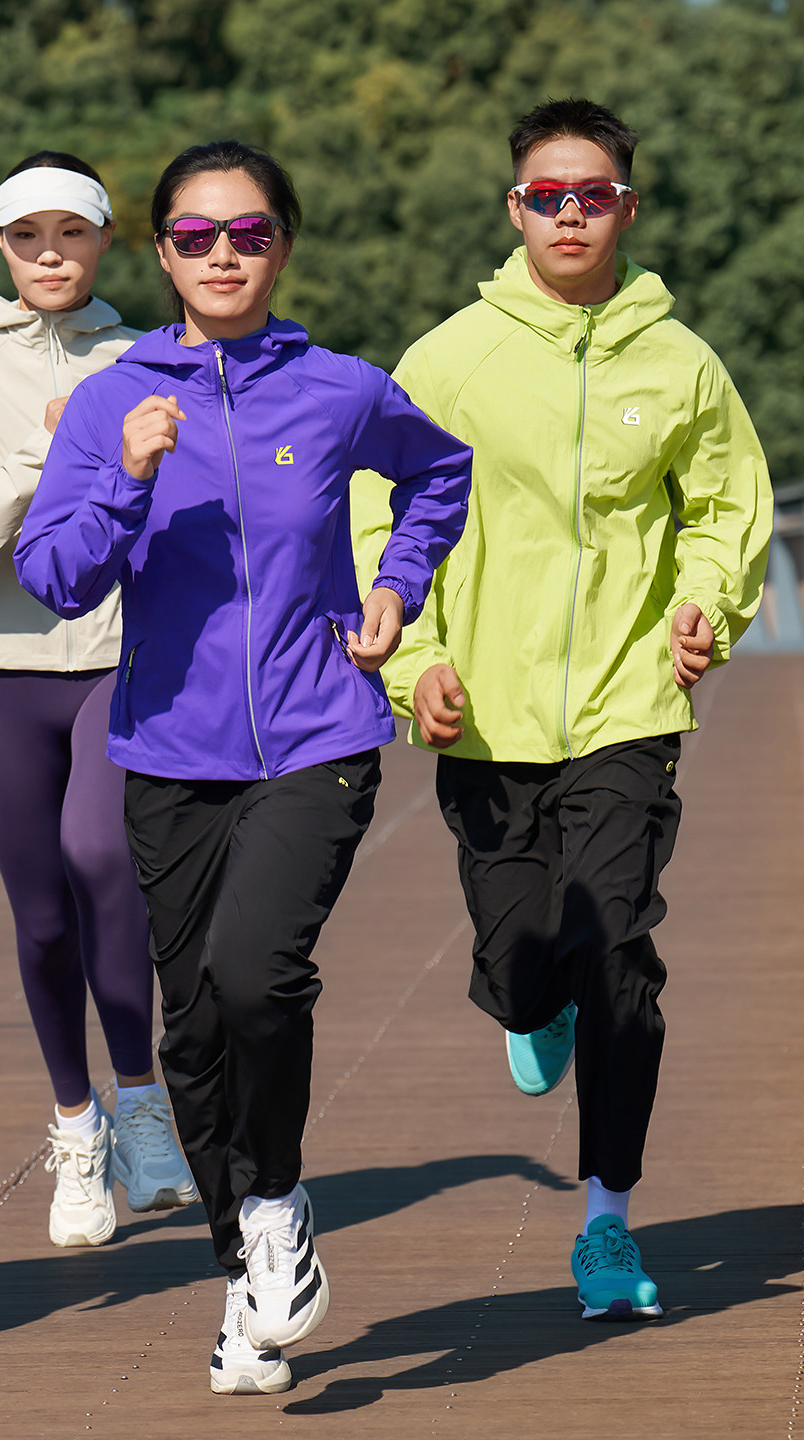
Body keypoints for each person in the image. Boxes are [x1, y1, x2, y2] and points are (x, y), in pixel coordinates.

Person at [15, 140, 471, 1395]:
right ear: (162, 254)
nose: (225, 254)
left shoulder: (338, 387)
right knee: (198, 1030)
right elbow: (57, 578)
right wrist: (124, 476)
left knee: (256, 975)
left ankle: (272, 1210)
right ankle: (245, 1273)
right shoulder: (116, 399)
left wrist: (394, 588)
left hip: (320, 734)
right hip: (167, 750)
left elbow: (441, 473)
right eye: (198, 236)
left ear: (282, 246)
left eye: (250, 233)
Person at [353, 97, 771, 1321]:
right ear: (515, 209)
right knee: (527, 965)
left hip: (631, 706)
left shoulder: (681, 361)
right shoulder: (445, 361)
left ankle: (606, 1219)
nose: (571, 213)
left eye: (594, 195)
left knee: (620, 955)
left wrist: (705, 609)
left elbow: (725, 509)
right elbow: (381, 518)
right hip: (481, 714)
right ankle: (528, 1001)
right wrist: (413, 660)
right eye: (549, 195)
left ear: (627, 209)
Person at [0, 152, 197, 1250]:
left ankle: (142, 1100)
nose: (49, 254)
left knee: (104, 863)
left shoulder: (156, 356)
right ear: (2, 248)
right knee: (39, 916)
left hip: (124, 656)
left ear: (105, 242)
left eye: (70, 234)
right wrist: (57, 449)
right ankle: (76, 1132)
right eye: (27, 236)